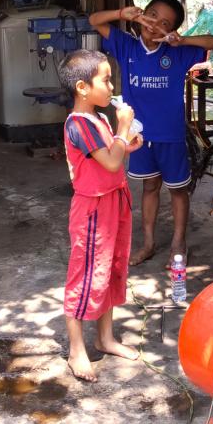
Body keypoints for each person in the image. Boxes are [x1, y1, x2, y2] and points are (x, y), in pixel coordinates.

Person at [90, 0, 213, 266]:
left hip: (171, 135)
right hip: (139, 137)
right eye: (151, 15)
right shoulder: (126, 46)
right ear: (142, 15)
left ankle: (179, 244)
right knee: (149, 186)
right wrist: (121, 12)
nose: (154, 24)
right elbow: (94, 21)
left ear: (172, 29)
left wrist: (182, 40)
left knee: (178, 190)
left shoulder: (177, 52)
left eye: (164, 23)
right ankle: (148, 243)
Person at [57, 49, 144, 382]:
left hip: (115, 201)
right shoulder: (79, 124)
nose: (111, 87)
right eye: (105, 81)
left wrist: (126, 141)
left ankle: (105, 338)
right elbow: (110, 162)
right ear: (82, 87)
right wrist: (123, 128)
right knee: (86, 274)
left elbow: (112, 154)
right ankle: (76, 349)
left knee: (110, 269)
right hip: (92, 209)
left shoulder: (99, 119)